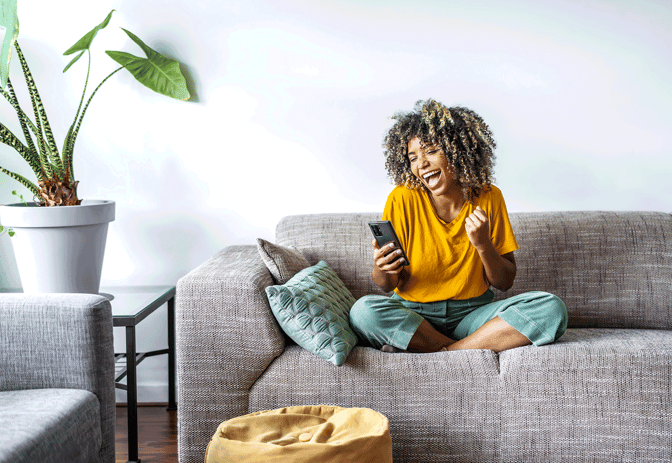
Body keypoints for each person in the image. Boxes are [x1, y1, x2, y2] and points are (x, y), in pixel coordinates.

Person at [349, 99, 568, 353]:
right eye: (413, 157)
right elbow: (387, 284)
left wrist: (483, 244)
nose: (421, 164)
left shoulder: (489, 197)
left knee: (551, 308)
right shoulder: (402, 198)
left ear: (457, 151)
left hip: (473, 316)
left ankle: (437, 352)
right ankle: (465, 349)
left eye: (431, 151)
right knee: (362, 312)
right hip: (414, 315)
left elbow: (504, 282)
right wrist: (381, 266)